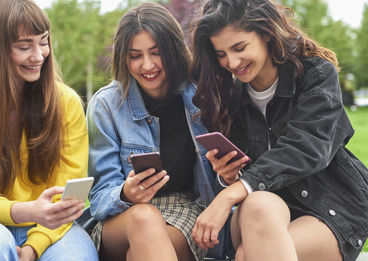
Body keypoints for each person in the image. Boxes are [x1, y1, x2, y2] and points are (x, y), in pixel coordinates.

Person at [190, 0, 368, 261]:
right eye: (221, 54)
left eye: (239, 48)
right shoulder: (230, 98)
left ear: (266, 34)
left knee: (246, 255)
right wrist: (229, 178)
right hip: (260, 210)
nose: (232, 61)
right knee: (259, 204)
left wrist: (233, 192)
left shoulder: (315, 75)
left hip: (325, 209)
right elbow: (248, 180)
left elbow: (307, 149)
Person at [86, 2, 220, 261]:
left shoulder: (200, 95)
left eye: (156, 53)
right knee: (144, 217)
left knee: (138, 253)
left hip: (183, 209)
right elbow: (100, 198)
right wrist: (126, 193)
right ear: (124, 59)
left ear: (172, 50)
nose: (147, 66)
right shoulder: (106, 105)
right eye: (135, 56)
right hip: (122, 217)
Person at [0, 0, 98, 260]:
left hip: (51, 227)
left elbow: (68, 195)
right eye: (24, 46)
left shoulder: (66, 103)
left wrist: (32, 248)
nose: (38, 55)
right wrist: (24, 210)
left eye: (44, 41)